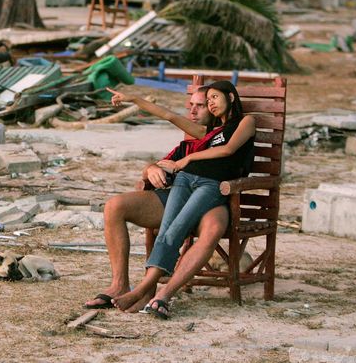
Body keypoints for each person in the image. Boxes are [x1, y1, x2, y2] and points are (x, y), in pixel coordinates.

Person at [113, 81, 255, 318]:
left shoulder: (246, 122)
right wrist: (134, 99)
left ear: (230, 97)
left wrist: (187, 160)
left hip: (211, 185)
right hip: (185, 180)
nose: (210, 103)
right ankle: (148, 290)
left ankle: (143, 288)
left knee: (178, 228)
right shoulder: (207, 132)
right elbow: (169, 115)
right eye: (207, 99)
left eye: (214, 97)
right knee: (167, 228)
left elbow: (229, 150)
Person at [84, 86, 230, 312]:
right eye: (190, 105)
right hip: (177, 196)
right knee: (115, 206)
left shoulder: (226, 138)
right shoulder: (188, 145)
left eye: (199, 105)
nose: (193, 111)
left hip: (214, 201)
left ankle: (163, 293)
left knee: (212, 229)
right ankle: (119, 285)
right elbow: (162, 162)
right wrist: (150, 169)